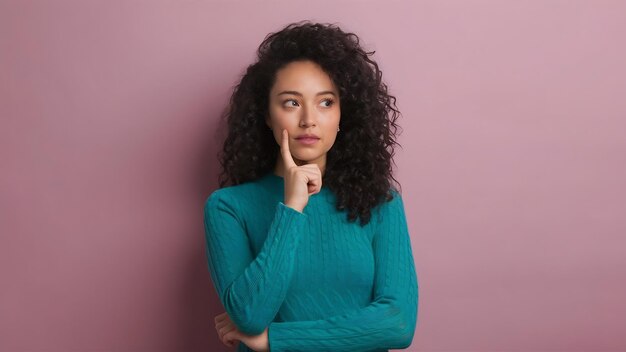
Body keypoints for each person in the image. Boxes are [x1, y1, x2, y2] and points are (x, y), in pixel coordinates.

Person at [203, 20, 419, 352]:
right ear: (266, 114)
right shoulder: (229, 207)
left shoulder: (380, 201)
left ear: (343, 114)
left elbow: (398, 323)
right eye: (291, 102)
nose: (309, 119)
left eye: (326, 102)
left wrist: (275, 339)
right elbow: (249, 315)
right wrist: (291, 208)